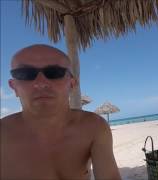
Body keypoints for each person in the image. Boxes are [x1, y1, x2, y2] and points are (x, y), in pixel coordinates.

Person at [0, 44, 121, 180]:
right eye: (25, 74)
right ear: (14, 86)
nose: (40, 83)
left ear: (72, 84)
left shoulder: (94, 127)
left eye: (54, 73)